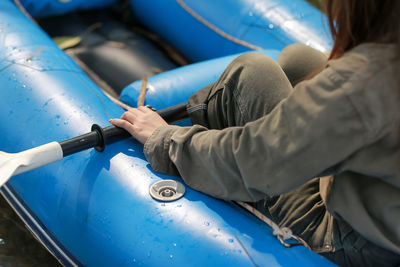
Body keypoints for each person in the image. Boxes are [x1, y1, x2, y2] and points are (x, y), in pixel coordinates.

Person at [110, 0, 400, 266]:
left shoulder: (364, 82)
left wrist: (165, 138)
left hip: (358, 241)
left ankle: (206, 133)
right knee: (298, 60)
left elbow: (252, 163)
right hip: (386, 207)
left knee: (248, 74)